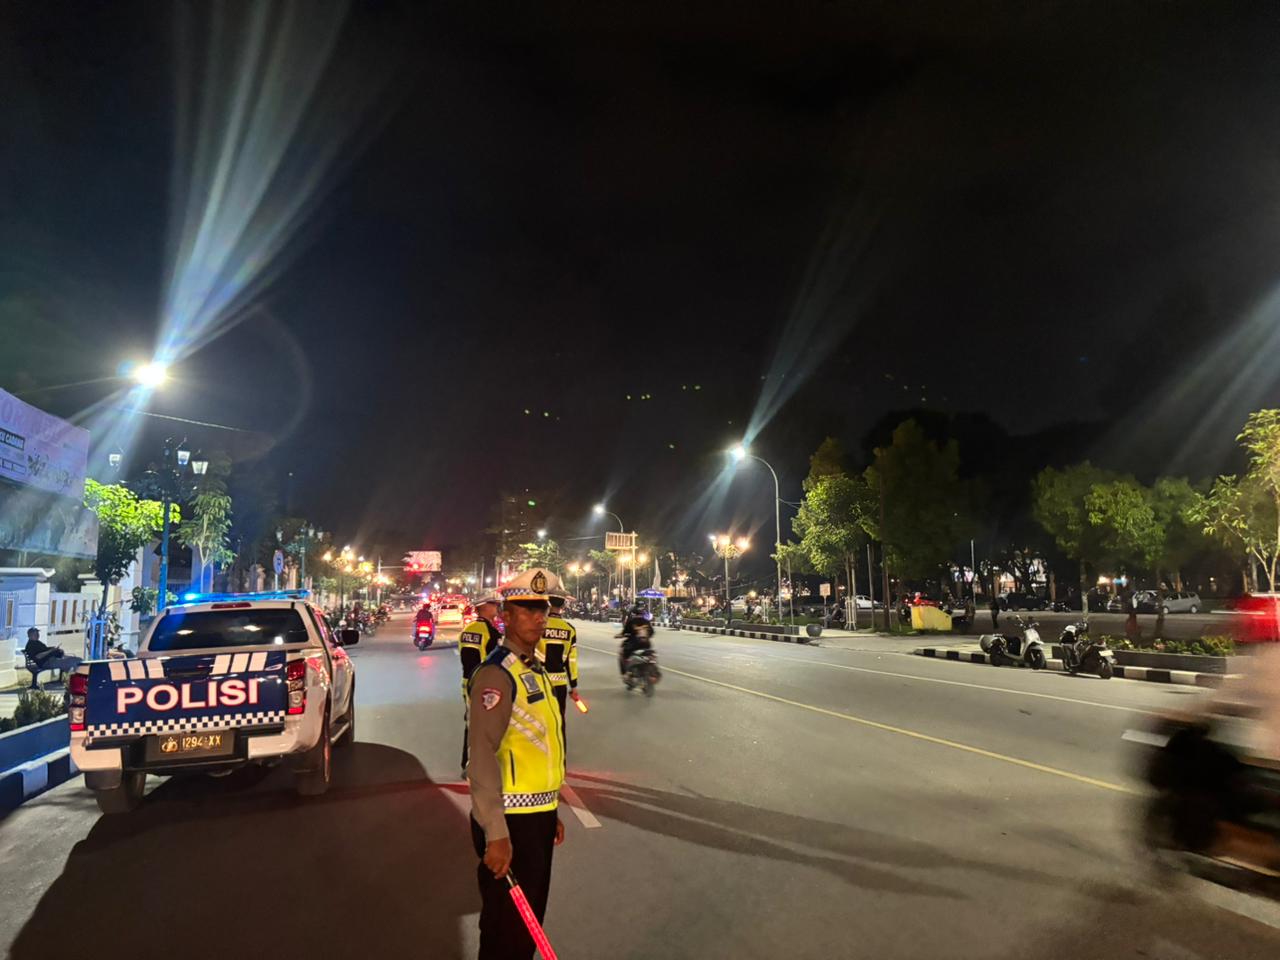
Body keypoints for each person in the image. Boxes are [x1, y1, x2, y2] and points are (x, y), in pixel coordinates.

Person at [467, 567, 566, 960]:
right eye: (527, 610)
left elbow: (538, 749)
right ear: (506, 616)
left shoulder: (533, 669)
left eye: (543, 609)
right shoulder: (497, 674)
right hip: (510, 823)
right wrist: (495, 832)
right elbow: (481, 756)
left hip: (535, 817)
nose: (539, 617)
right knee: (505, 931)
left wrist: (551, 807)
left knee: (526, 929)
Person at [459, 592, 504, 774]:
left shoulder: (467, 630)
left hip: (468, 683)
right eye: (494, 604)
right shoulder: (490, 633)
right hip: (486, 685)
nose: (497, 608)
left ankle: (467, 762)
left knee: (472, 723)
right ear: (484, 607)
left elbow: (466, 660)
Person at [538, 593, 580, 736]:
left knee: (539, 720)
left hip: (539, 681)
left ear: (547, 604)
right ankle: (559, 748)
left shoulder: (539, 625)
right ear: (563, 605)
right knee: (559, 719)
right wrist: (574, 686)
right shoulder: (569, 629)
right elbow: (571, 661)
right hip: (560, 684)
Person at [618, 603, 654, 676]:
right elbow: (652, 632)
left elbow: (624, 632)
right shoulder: (646, 621)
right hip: (647, 645)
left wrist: (620, 635)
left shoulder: (631, 621)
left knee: (622, 653)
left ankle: (626, 672)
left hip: (634, 645)